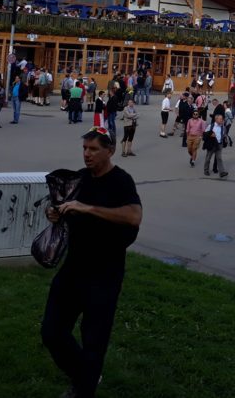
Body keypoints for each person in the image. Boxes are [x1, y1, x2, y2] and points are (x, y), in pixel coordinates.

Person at [41, 126, 142, 398]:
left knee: (94, 341)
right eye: (85, 148)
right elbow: (65, 210)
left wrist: (89, 209)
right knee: (51, 332)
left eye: (94, 149)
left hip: (105, 273)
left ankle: (83, 389)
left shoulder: (121, 181)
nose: (87, 154)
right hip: (74, 268)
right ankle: (86, 376)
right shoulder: (80, 179)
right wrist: (56, 213)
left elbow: (134, 216)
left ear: (110, 151)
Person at [203, 113, 228, 179]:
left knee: (219, 158)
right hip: (212, 144)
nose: (222, 120)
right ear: (216, 119)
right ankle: (206, 170)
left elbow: (224, 135)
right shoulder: (211, 126)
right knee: (208, 158)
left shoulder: (223, 127)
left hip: (219, 144)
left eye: (222, 119)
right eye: (220, 119)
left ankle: (222, 172)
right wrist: (210, 135)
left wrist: (225, 139)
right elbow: (205, 133)